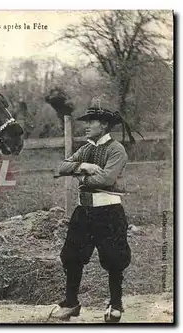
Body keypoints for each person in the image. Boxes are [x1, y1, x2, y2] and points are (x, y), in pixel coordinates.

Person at [50, 106, 138, 323]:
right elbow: (61, 167)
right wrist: (84, 166)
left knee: (114, 258)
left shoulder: (116, 150)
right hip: (84, 212)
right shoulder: (86, 149)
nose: (86, 126)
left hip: (109, 212)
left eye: (91, 121)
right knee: (71, 256)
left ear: (105, 125)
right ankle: (71, 303)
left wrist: (79, 177)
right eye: (85, 121)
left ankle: (115, 304)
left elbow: (107, 180)